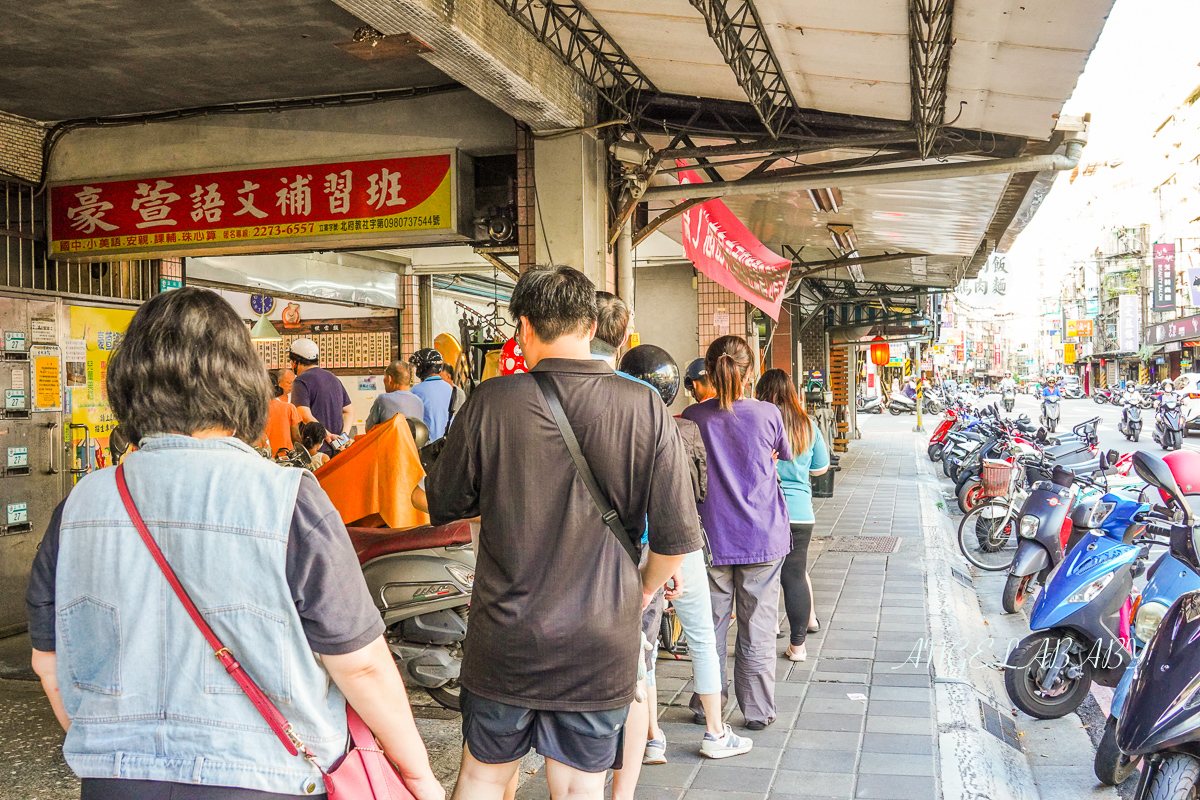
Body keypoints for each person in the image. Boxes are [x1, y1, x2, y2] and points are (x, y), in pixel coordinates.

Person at [25, 287, 443, 800]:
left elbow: (49, 662)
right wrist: (417, 773)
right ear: (241, 382)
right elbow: (359, 662)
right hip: (268, 778)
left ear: (127, 384)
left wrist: (118, 751)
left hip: (117, 780)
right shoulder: (287, 498)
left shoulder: (80, 505)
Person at [427, 265, 702, 800]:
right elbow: (674, 539)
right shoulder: (643, 404)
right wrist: (642, 588)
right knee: (579, 787)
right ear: (591, 322)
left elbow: (443, 502)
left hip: (505, 637)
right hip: (598, 640)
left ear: (525, 327)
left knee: (483, 775)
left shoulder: (492, 401)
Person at [615, 346, 752, 773]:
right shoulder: (684, 429)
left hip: (636, 548)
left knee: (645, 645)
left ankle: (652, 736)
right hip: (682, 542)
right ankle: (715, 731)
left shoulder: (617, 430)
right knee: (702, 638)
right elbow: (700, 491)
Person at [682, 335, 792, 731]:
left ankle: (706, 704)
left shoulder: (693, 417)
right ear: (752, 367)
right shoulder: (767, 413)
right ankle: (758, 710)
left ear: (708, 371)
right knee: (758, 628)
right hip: (763, 537)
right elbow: (783, 455)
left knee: (707, 625)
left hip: (711, 539)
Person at [755, 369, 829, 663]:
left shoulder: (760, 422)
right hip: (801, 513)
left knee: (762, 575)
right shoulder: (808, 425)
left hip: (766, 511)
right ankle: (798, 647)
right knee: (795, 575)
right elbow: (820, 468)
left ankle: (764, 635)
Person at [289, 337, 352, 455]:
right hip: (337, 450)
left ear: (295, 362)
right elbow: (349, 411)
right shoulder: (333, 378)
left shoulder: (300, 381)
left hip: (316, 451)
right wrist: (342, 438)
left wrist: (327, 435)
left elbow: (305, 415)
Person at [366, 360, 425, 432]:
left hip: (390, 442)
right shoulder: (419, 401)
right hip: (412, 443)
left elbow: (368, 429)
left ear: (390, 379)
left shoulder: (382, 399)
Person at [410, 348, 455, 441]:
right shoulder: (449, 388)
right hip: (448, 441)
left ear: (423, 367)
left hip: (427, 443)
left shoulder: (416, 390)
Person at [263, 367, 302, 454]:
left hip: (265, 454)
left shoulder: (258, 409)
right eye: (289, 383)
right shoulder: (289, 408)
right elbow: (296, 436)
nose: (292, 385)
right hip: (286, 455)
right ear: (279, 383)